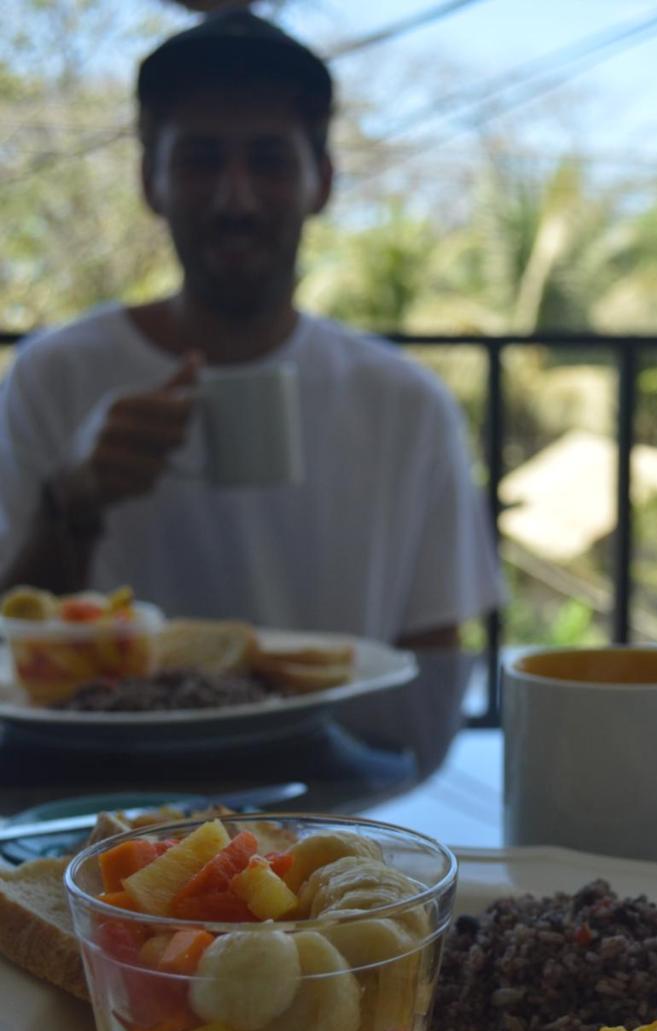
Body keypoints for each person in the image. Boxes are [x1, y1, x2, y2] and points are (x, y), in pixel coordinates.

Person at [0, 8, 504, 649]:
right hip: (108, 755)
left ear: (320, 183)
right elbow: (11, 653)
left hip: (341, 754)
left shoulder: (407, 404)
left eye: (268, 161)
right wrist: (74, 500)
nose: (234, 199)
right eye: (200, 161)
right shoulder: (54, 377)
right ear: (149, 183)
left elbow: (431, 667)